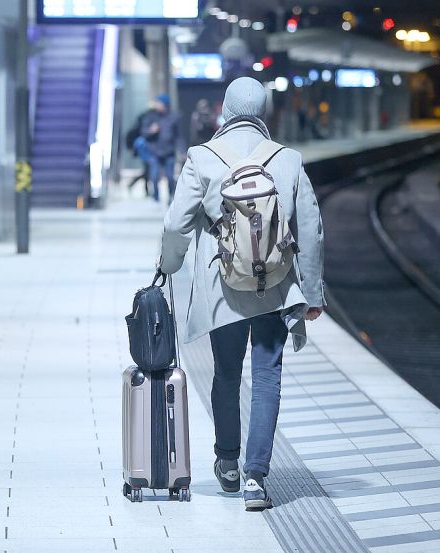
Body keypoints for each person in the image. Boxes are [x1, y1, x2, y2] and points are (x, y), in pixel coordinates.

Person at [158, 77, 325, 511]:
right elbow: (310, 229)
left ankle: (228, 465)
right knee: (267, 378)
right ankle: (256, 479)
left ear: (225, 111)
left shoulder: (202, 158)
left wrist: (167, 267)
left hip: (223, 289)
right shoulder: (287, 159)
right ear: (263, 112)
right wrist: (313, 292)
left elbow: (176, 224)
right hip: (275, 287)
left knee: (227, 376)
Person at [140, 93, 183, 202]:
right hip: (154, 152)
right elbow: (143, 133)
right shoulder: (151, 117)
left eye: (159, 103)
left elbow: (178, 137)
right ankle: (156, 198)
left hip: (169, 152)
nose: (157, 105)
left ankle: (170, 196)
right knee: (154, 177)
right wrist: (151, 131)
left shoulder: (173, 118)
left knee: (170, 177)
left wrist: (182, 151)